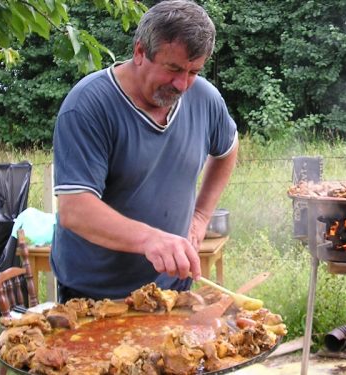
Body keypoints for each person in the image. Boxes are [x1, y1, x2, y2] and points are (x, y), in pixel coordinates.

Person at [50, 0, 238, 303]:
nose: (182, 84)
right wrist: (151, 239)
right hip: (95, 297)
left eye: (193, 71)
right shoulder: (88, 106)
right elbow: (75, 209)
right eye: (173, 68)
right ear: (140, 52)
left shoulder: (205, 99)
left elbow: (228, 148)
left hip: (171, 291)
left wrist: (201, 216)